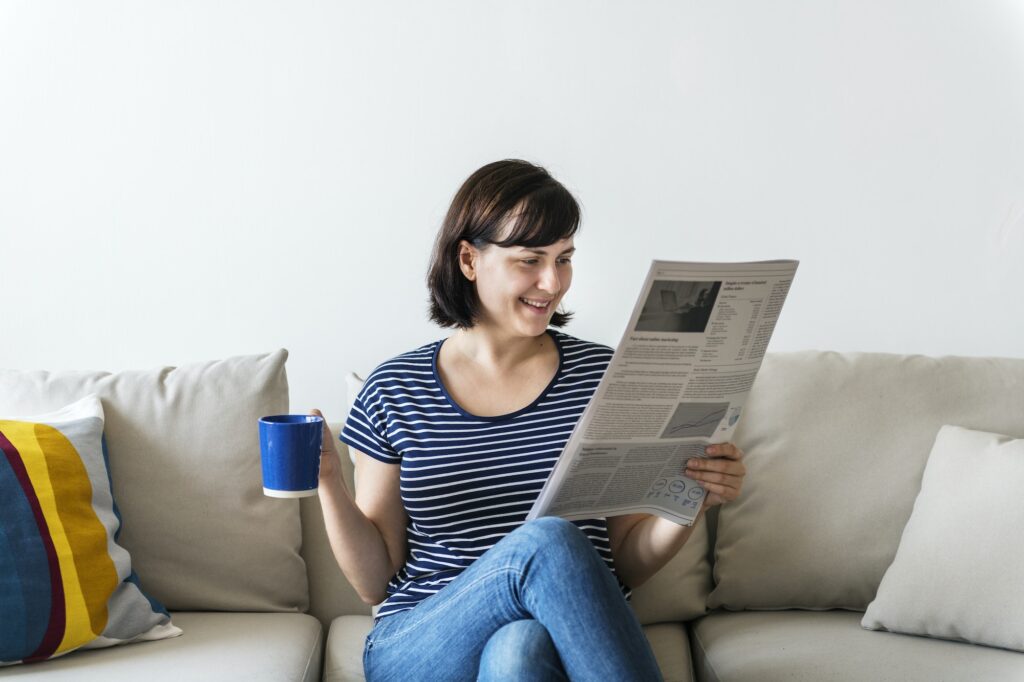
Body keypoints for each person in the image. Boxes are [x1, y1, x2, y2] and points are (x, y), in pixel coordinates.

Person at [313, 159, 746, 681]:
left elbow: (626, 564)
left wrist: (686, 501)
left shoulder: (606, 378)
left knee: (518, 649)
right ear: (469, 259)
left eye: (564, 259)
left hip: (555, 640)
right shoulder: (395, 388)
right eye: (530, 260)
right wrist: (329, 482)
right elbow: (373, 581)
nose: (553, 282)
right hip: (422, 644)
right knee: (549, 541)